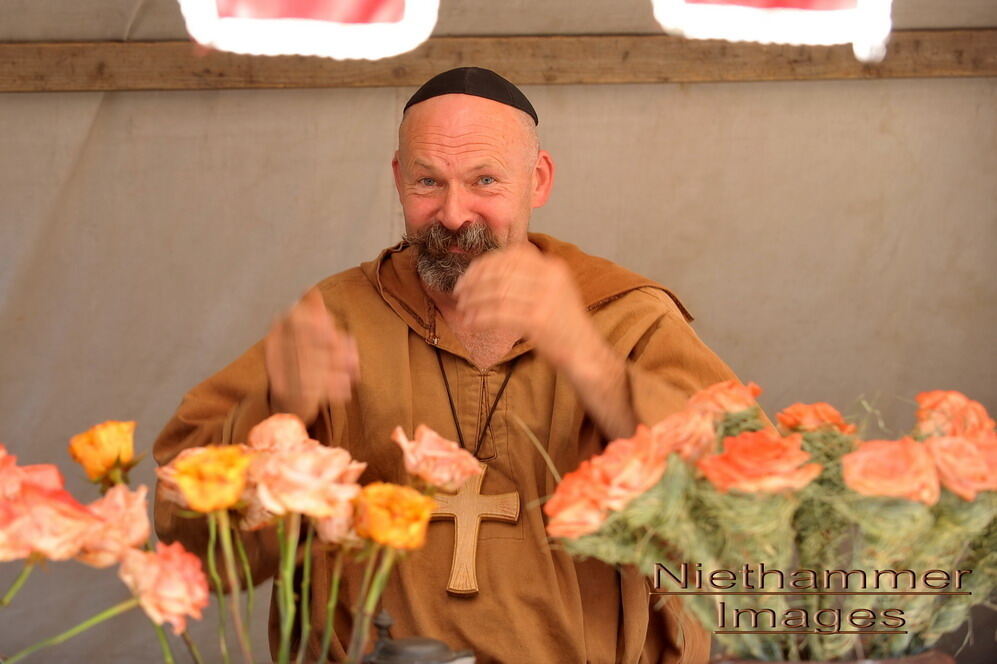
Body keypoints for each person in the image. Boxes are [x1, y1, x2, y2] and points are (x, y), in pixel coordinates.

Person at [153, 67, 739, 663]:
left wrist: (587, 357)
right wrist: (275, 408)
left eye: (485, 180)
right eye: (429, 182)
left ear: (537, 180)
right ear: (398, 178)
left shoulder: (626, 318)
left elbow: (751, 511)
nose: (455, 214)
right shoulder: (335, 317)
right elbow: (188, 536)